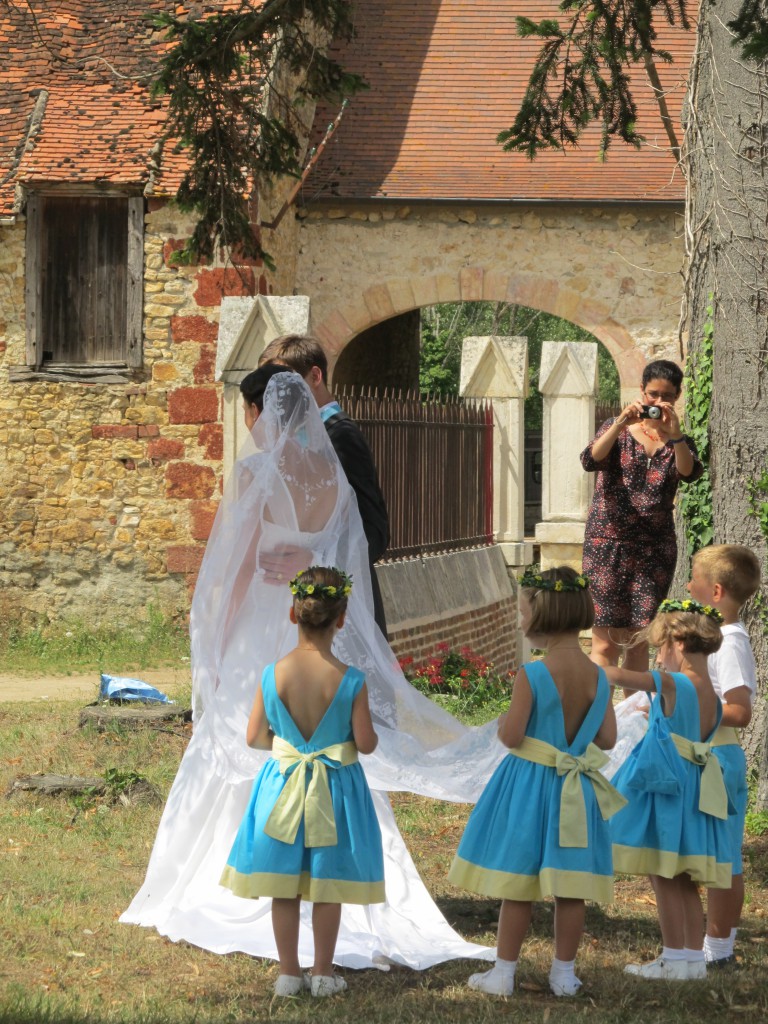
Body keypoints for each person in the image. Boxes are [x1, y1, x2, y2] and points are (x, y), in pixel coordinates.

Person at [121, 369, 503, 971]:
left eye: (249, 412)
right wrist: (310, 557)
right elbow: (346, 555)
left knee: (246, 738)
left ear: (260, 410)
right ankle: (332, 872)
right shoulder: (332, 479)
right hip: (317, 621)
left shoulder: (256, 473)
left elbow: (238, 569)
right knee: (327, 741)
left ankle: (239, 869)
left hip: (263, 630)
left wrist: (218, 647)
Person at [448, 566, 623, 998]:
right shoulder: (598, 675)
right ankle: (564, 974)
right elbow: (607, 737)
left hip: (528, 786)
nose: (519, 619)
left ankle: (503, 972)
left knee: (518, 881)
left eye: (522, 610)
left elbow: (512, 736)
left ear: (541, 614)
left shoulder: (533, 674)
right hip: (575, 790)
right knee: (571, 886)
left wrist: (506, 720)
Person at [220, 567, 385, 998]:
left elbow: (255, 736)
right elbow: (365, 744)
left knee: (285, 885)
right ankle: (324, 972)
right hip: (335, 790)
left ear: (294, 615)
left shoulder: (272, 673)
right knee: (327, 884)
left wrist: (289, 742)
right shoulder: (351, 680)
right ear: (342, 618)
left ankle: (289, 973)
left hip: (284, 785)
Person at [608, 599, 733, 981]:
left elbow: (621, 677)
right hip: (694, 785)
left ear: (678, 642)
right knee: (683, 879)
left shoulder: (673, 682)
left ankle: (673, 957)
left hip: (669, 788)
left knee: (663, 874)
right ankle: (693, 961)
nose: (658, 658)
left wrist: (576, 666)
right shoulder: (709, 691)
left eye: (659, 648)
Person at [258, 333, 390, 633]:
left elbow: (375, 531)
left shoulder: (341, 437)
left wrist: (314, 559)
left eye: (286, 383)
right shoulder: (291, 443)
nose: (278, 395)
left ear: (315, 375)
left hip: (342, 612)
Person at [580, 359, 704, 674]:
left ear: (677, 397)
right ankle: (600, 717)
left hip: (655, 550)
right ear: (641, 391)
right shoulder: (616, 428)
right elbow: (591, 459)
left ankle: (634, 720)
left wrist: (674, 437)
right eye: (652, 394)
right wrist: (621, 423)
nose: (657, 402)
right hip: (607, 545)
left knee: (637, 642)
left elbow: (688, 473)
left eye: (667, 396)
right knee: (606, 642)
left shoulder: (679, 443)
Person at [686, 545, 761, 968]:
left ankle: (719, 950)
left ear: (714, 591)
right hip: (705, 757)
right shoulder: (715, 639)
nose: (686, 586)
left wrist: (692, 713)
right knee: (715, 854)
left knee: (725, 857)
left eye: (693, 581)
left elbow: (739, 710)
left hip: (719, 758)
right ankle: (709, 946)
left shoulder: (730, 643)